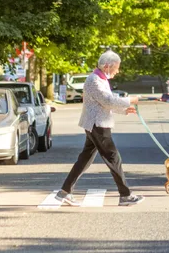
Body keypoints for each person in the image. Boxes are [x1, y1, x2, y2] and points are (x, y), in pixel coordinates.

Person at [56, 51, 144, 207]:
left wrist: (124, 110)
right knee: (113, 157)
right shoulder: (94, 80)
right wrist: (130, 99)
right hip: (97, 124)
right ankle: (125, 195)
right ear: (107, 66)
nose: (117, 71)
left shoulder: (100, 79)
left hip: (95, 123)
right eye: (116, 68)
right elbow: (107, 100)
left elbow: (105, 104)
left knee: (84, 160)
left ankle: (64, 192)